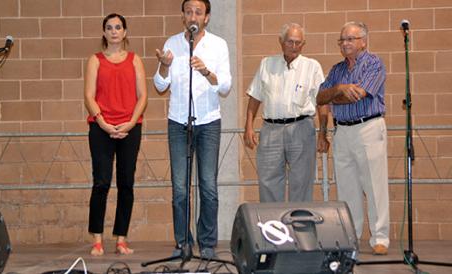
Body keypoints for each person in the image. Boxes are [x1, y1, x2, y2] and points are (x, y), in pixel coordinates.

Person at [153, 0, 231, 259]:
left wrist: (206, 71)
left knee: (208, 186)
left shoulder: (218, 45)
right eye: (188, 12)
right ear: (183, 16)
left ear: (206, 17)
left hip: (208, 121)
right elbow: (160, 85)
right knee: (180, 188)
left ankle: (207, 243)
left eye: (198, 12)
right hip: (178, 121)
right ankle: (183, 243)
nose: (193, 16)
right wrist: (164, 65)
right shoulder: (172, 43)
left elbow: (225, 86)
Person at [316, 21, 389, 255]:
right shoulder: (337, 70)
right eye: (342, 39)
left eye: (350, 39)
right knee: (347, 187)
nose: (345, 43)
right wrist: (339, 88)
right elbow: (319, 97)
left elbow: (357, 97)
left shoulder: (374, 63)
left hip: (368, 127)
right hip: (342, 131)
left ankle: (380, 238)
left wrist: (335, 95)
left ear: (363, 42)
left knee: (374, 185)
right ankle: (351, 235)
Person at [84, 13, 147, 256]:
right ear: (104, 32)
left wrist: (131, 123)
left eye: (118, 27)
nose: (114, 31)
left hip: (130, 128)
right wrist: (103, 123)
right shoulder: (95, 60)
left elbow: (143, 96)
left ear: (125, 32)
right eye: (109, 27)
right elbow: (89, 96)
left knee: (126, 184)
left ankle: (121, 239)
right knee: (101, 182)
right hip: (101, 128)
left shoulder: (135, 60)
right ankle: (97, 240)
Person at [244, 23, 325, 202]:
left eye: (298, 42)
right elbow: (255, 97)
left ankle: (299, 228)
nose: (294, 46)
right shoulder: (267, 64)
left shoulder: (312, 67)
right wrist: (248, 127)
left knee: (302, 182)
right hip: (270, 130)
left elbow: (322, 102)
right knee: (268, 182)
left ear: (303, 44)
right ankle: (273, 228)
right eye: (290, 42)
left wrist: (323, 133)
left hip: (302, 128)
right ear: (281, 42)